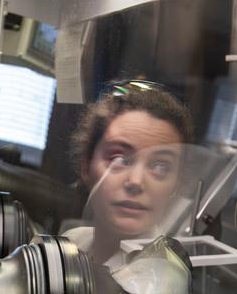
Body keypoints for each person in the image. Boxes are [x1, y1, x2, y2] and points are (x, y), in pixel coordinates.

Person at [66, 81, 195, 272]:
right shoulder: (72, 241)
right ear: (86, 167)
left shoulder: (162, 280)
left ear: (176, 185)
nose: (135, 181)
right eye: (119, 159)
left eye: (160, 166)